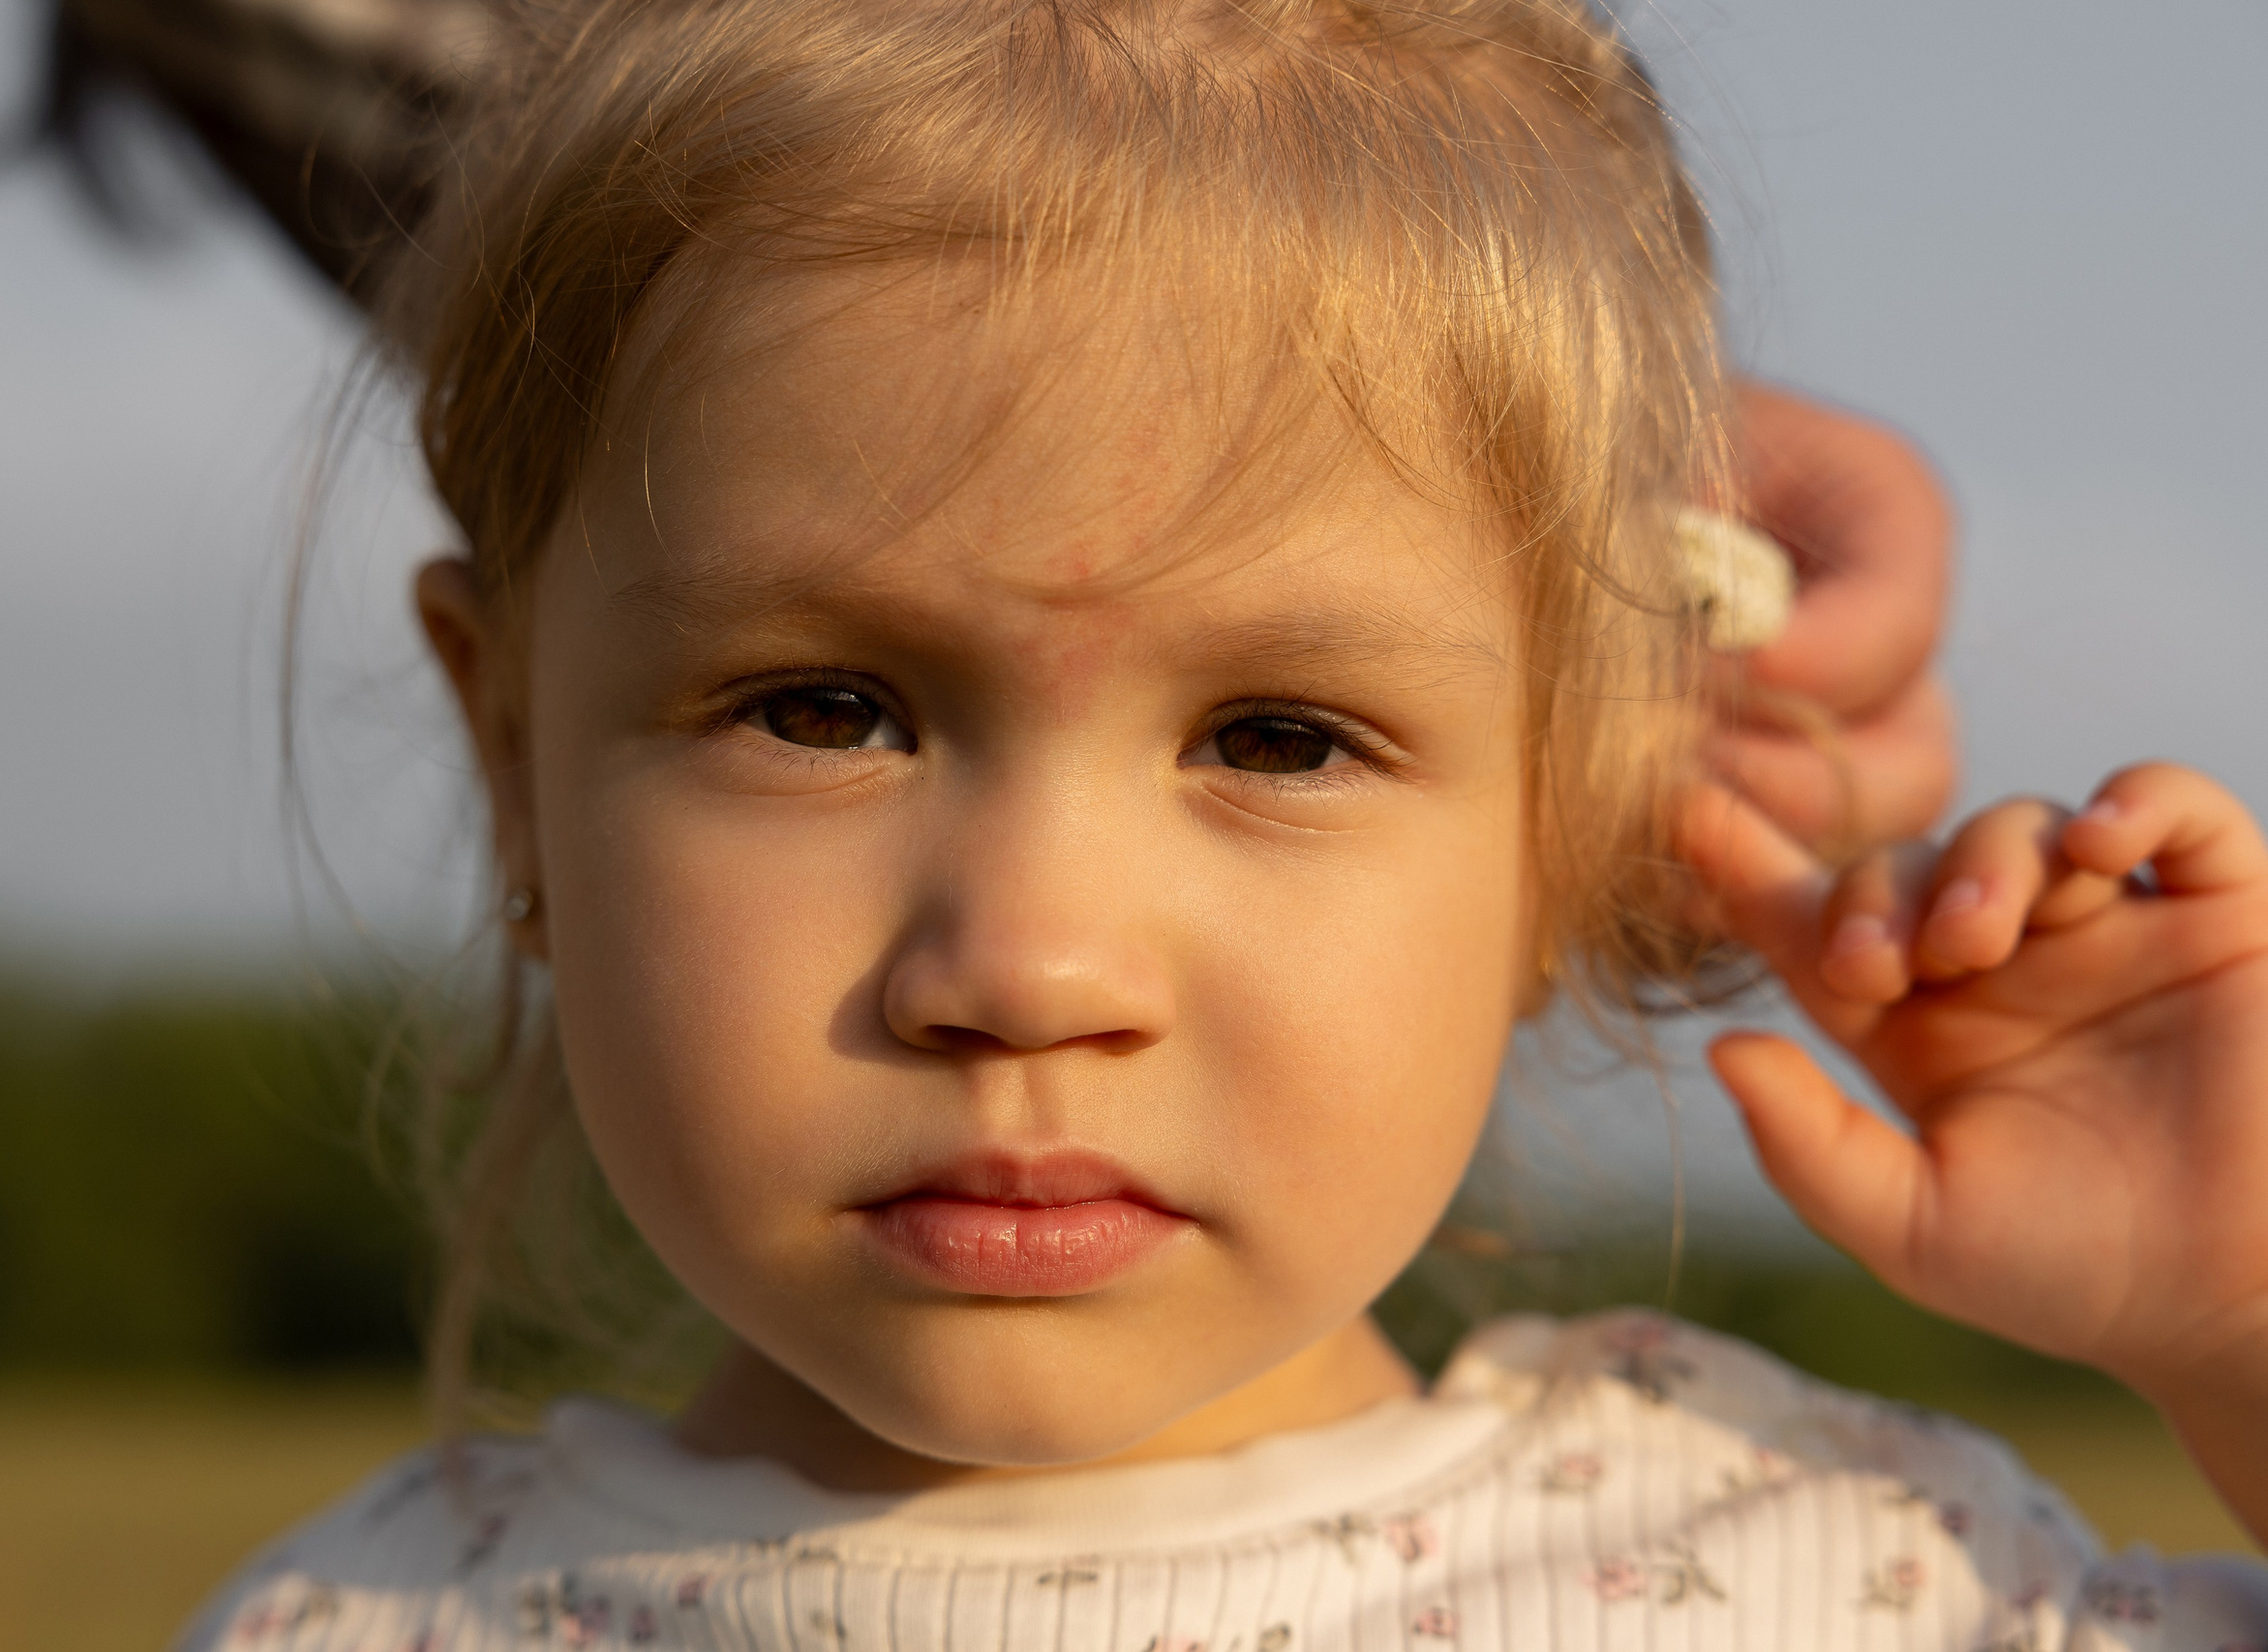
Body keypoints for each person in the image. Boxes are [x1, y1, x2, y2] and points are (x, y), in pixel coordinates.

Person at [179, 0, 2268, 1646]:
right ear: (509, 758)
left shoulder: (1857, 1580)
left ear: (1573, 817)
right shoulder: (343, 1626)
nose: (1026, 966)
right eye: (822, 711)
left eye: (1277, 737)